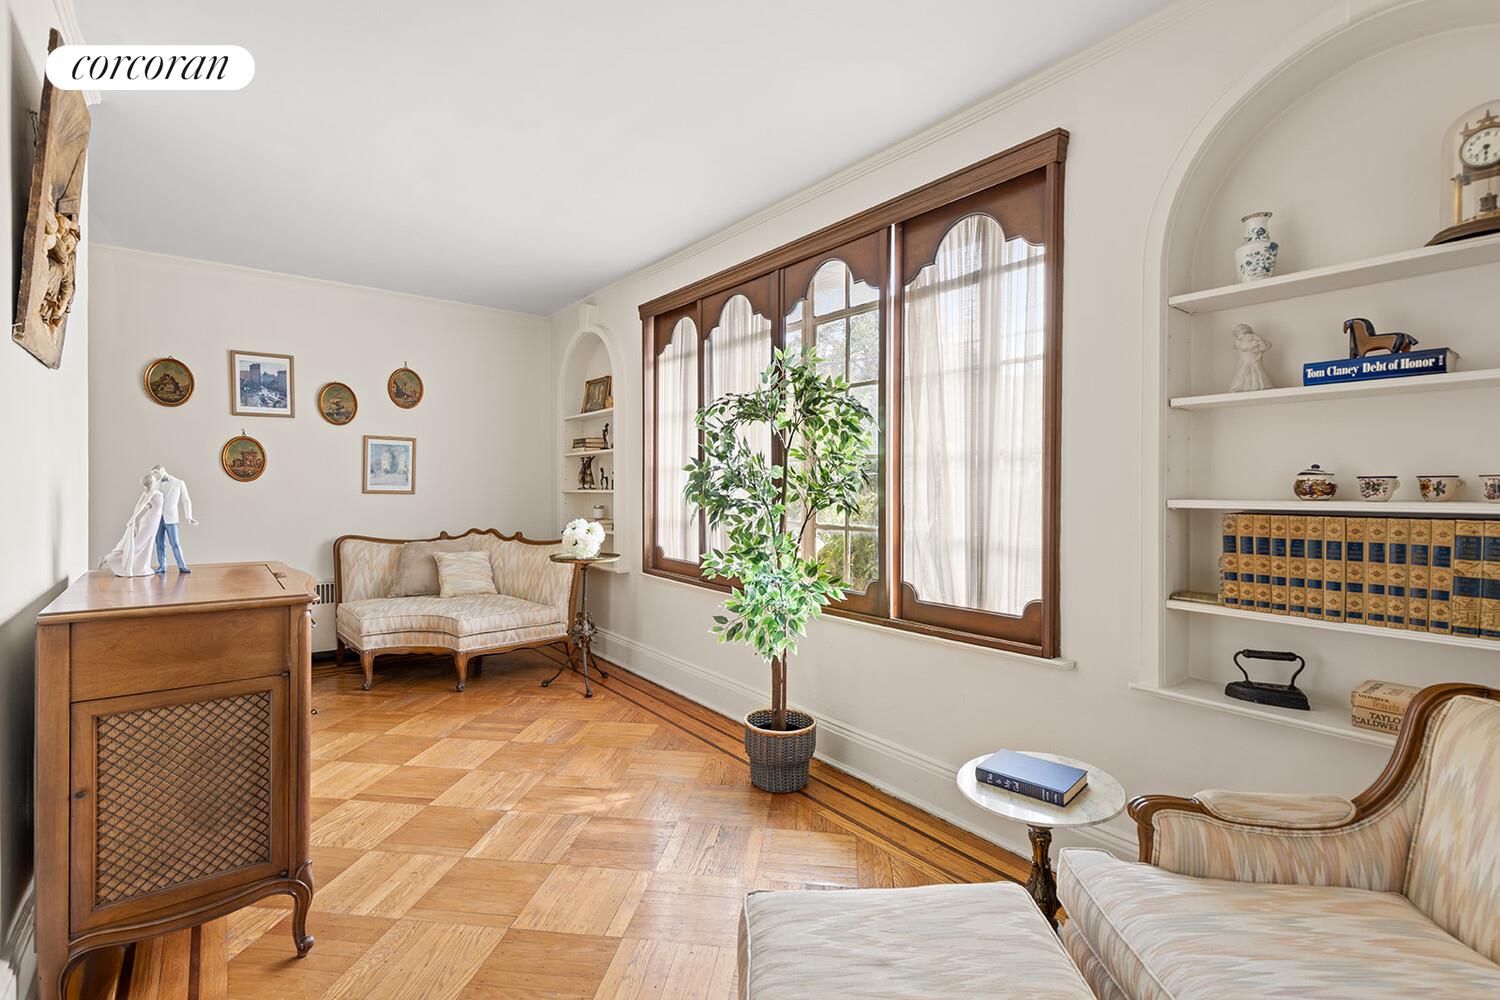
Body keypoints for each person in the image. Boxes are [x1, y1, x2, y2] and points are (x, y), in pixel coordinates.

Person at [100, 470, 165, 576]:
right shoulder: (152, 492)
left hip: (154, 520)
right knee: (139, 544)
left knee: (148, 544)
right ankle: (110, 558)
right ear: (151, 482)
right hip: (150, 521)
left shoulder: (153, 492)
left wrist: (147, 507)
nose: (156, 481)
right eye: (154, 480)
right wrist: (133, 518)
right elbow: (140, 506)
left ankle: (143, 567)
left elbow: (146, 505)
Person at [150, 464, 200, 574]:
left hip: (171, 517)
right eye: (153, 474)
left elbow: (186, 500)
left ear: (163, 470)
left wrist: (189, 516)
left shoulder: (179, 483)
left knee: (175, 543)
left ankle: (182, 566)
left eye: (156, 473)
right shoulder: (155, 484)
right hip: (157, 517)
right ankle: (162, 566)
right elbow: (150, 499)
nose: (155, 475)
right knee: (159, 543)